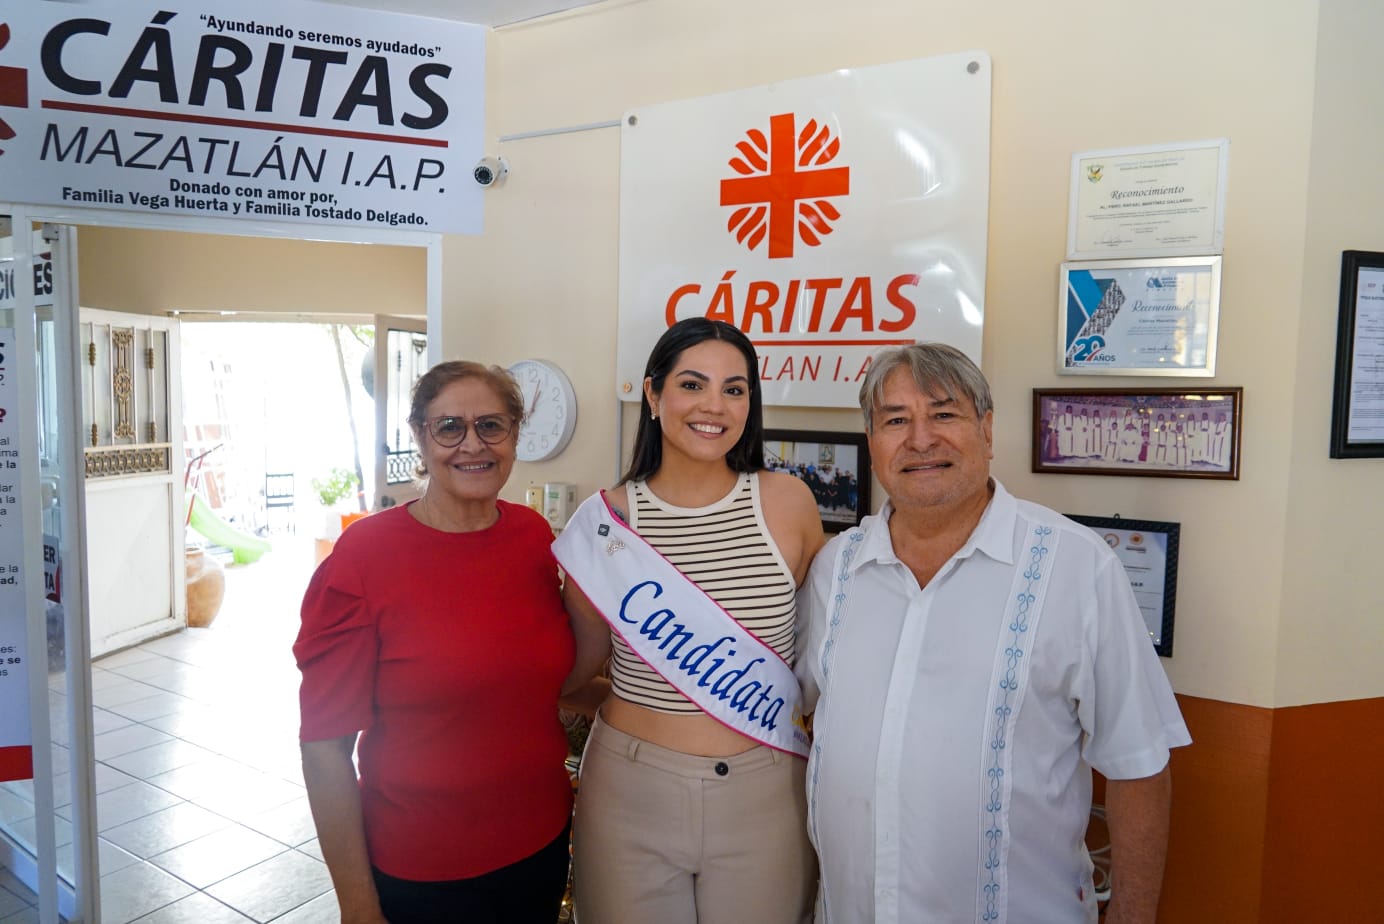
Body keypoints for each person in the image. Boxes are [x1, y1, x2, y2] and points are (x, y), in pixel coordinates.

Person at [796, 343, 1190, 924]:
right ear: (872, 442)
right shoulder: (836, 569)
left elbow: (1139, 762)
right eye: (895, 420)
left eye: (944, 414)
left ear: (986, 430)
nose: (921, 439)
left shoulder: (1076, 567)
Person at [555, 318, 824, 924]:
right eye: (693, 384)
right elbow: (572, 674)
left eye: (735, 389)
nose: (714, 406)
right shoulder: (605, 524)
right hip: (628, 792)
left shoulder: (789, 504)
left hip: (766, 791)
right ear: (653, 395)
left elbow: (822, 648)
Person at [295, 361, 577, 924]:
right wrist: (357, 904)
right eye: (449, 427)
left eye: (491, 426)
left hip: (540, 846)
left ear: (515, 434)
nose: (472, 444)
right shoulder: (365, 557)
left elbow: (538, 679)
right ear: (421, 437)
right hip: (421, 868)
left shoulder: (533, 537)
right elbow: (325, 746)